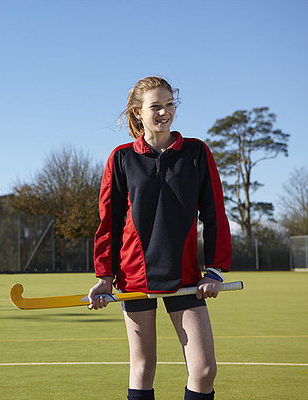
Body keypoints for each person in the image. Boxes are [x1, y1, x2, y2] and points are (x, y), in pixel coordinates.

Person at [88, 76, 232, 400]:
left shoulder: (196, 153)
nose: (165, 112)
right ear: (138, 112)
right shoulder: (121, 158)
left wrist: (215, 269)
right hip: (136, 277)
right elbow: (108, 223)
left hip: (185, 276)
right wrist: (104, 277)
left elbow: (215, 214)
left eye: (170, 105)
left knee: (205, 369)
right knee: (142, 366)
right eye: (156, 106)